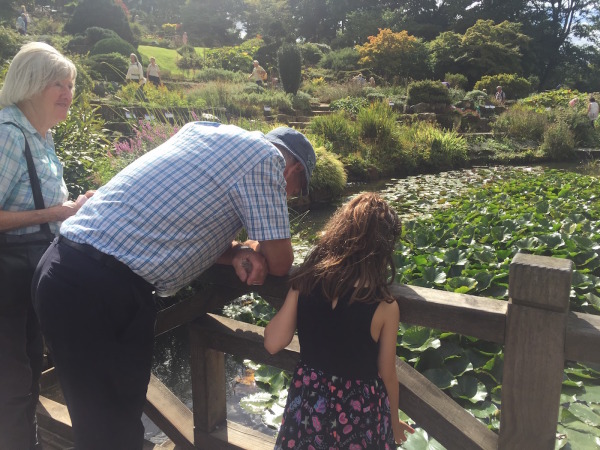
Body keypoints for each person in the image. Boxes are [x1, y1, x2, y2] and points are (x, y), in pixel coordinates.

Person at [32, 123, 316, 449]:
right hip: (99, 290)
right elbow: (280, 262)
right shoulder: (267, 160)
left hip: (63, 267)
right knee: (111, 434)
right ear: (293, 169)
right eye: (297, 189)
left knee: (99, 427)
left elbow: (179, 222)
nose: (291, 196)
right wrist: (255, 249)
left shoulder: (204, 130)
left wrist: (235, 251)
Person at [264, 192, 415, 449]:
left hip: (309, 403)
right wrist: (393, 418)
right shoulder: (385, 306)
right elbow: (388, 374)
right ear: (383, 249)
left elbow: (273, 343)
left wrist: (297, 287)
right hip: (360, 413)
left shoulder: (306, 283)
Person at [0, 42, 91, 450]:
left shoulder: (41, 137)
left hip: (26, 279)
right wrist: (57, 212)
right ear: (30, 84)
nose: (67, 92)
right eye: (57, 82)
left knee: (26, 378)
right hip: (7, 282)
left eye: (70, 83)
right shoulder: (7, 134)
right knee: (12, 386)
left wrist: (73, 209)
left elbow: (51, 208)